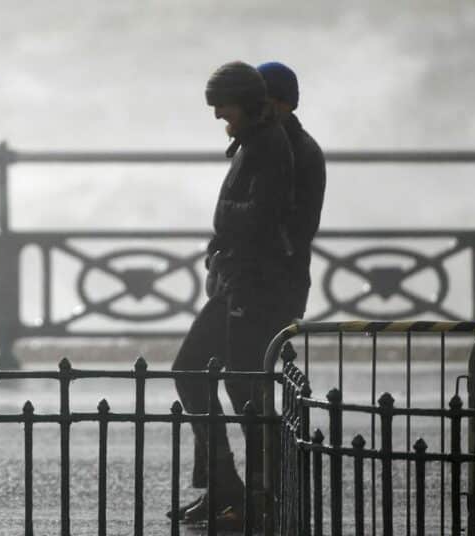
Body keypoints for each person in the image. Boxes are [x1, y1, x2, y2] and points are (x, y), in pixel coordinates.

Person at [169, 61, 298, 529]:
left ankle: (255, 492)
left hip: (250, 285)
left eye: (222, 105)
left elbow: (262, 213)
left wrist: (224, 228)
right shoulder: (255, 142)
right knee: (205, 374)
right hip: (237, 281)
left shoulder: (266, 144)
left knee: (237, 384)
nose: (218, 115)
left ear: (245, 101)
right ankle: (231, 487)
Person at [256, 61, 326, 319]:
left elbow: (296, 228)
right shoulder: (271, 143)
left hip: (272, 284)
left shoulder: (295, 151)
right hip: (268, 282)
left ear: (282, 103)